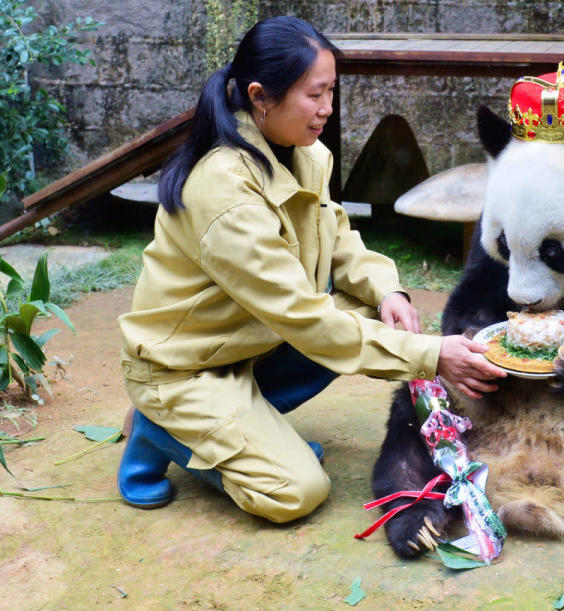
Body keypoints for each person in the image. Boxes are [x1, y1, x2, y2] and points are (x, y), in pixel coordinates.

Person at [116, 16, 505, 523]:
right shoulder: (224, 190)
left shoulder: (305, 154)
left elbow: (339, 238)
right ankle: (161, 428)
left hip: (246, 342)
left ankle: (242, 430)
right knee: (296, 492)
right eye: (315, 95)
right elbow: (303, 319)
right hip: (185, 367)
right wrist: (429, 354)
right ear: (260, 96)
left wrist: (389, 291)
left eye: (331, 92)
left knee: (371, 308)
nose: (327, 109)